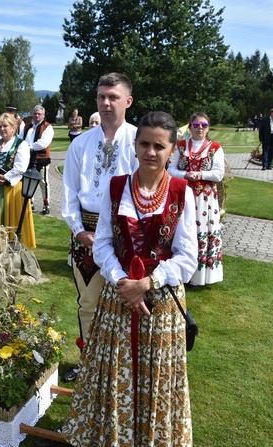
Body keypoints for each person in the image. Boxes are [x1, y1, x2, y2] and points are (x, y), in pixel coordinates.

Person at [62, 111, 198, 447]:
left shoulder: (182, 192)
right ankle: (114, 437)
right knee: (116, 371)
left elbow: (187, 256)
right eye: (145, 144)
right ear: (135, 147)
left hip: (162, 302)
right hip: (119, 295)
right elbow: (104, 243)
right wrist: (123, 281)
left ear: (172, 151)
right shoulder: (117, 187)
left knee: (157, 375)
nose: (151, 152)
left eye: (159, 146)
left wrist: (148, 283)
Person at [61, 72, 139, 383]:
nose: (106, 103)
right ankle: (90, 364)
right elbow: (68, 192)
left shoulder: (138, 141)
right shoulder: (80, 144)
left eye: (113, 97)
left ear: (128, 101)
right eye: (101, 97)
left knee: (125, 303)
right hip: (87, 233)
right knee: (89, 302)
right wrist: (78, 230)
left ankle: (121, 369)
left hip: (124, 236)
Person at [168, 112, 224, 286]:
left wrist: (199, 174)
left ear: (208, 128)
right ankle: (179, 271)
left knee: (202, 231)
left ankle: (201, 275)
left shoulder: (215, 147)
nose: (200, 128)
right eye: (196, 125)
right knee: (183, 230)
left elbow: (218, 174)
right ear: (190, 126)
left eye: (204, 125)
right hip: (183, 195)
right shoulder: (181, 146)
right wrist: (185, 174)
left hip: (205, 200)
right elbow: (170, 170)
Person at [0, 112, 35, 248]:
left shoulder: (21, 144)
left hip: (13, 189)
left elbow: (20, 167)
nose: (2, 129)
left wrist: (5, 177)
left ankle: (15, 247)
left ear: (13, 127)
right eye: (0, 126)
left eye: (5, 126)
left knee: (14, 218)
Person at [23, 104, 54, 215]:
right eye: (35, 113)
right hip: (27, 158)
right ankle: (29, 203)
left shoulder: (47, 127)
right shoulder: (27, 127)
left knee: (43, 182)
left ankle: (46, 204)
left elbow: (43, 143)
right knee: (28, 180)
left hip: (42, 158)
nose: (37, 116)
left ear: (43, 115)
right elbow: (20, 140)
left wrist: (27, 147)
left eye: (39, 114)